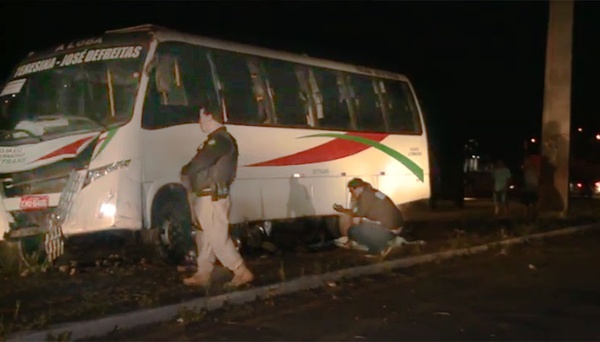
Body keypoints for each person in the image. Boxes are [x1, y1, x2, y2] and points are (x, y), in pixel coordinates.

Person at [179, 103, 254, 288]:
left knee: (217, 237)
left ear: (210, 116)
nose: (199, 122)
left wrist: (186, 170)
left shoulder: (218, 141)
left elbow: (199, 163)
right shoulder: (219, 140)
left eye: (201, 117)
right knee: (205, 237)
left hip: (211, 197)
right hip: (208, 195)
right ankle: (203, 273)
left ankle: (240, 271)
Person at [332, 178, 405, 257]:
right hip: (397, 227)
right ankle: (389, 240)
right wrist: (343, 210)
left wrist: (349, 238)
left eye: (351, 190)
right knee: (366, 224)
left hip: (389, 231)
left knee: (353, 231)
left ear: (358, 188)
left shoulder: (364, 196)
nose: (351, 193)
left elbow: (356, 220)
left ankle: (378, 249)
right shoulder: (372, 192)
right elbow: (357, 212)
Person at [521, 156, 539, 220]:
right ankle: (527, 217)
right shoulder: (525, 170)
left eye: (527, 161)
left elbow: (537, 177)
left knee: (533, 204)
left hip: (532, 188)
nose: (526, 163)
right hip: (527, 189)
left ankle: (533, 217)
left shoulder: (533, 169)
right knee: (526, 205)